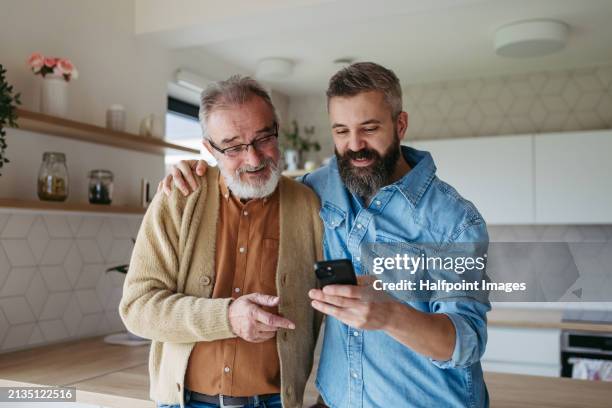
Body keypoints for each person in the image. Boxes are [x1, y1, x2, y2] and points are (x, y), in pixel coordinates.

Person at [161, 62, 491, 408]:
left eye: (369, 128)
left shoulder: (454, 221)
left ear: (400, 124)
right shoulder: (315, 190)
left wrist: (391, 314)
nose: (355, 145)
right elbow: (251, 176)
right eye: (341, 131)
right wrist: (194, 172)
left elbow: (467, 341)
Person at [120, 75, 323, 408]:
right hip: (185, 401)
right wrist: (227, 317)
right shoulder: (178, 198)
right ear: (209, 149)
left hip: (275, 402)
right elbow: (137, 308)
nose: (254, 159)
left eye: (264, 138)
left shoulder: (308, 204)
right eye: (233, 147)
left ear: (277, 128)